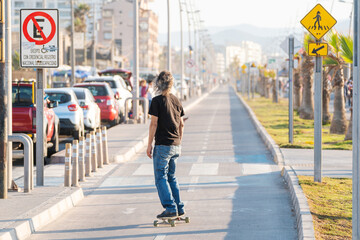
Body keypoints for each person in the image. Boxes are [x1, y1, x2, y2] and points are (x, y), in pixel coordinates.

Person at [147, 71, 185, 218]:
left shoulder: (156, 101)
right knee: (171, 177)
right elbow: (181, 124)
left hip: (162, 145)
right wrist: (179, 141)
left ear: (158, 84)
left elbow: (153, 124)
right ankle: (179, 207)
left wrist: (149, 144)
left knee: (160, 177)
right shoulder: (176, 100)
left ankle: (170, 207)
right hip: (176, 145)